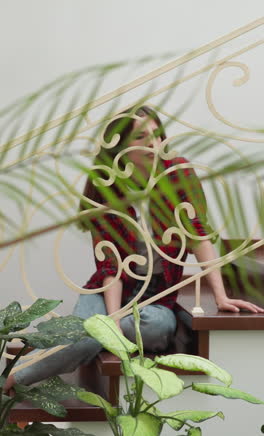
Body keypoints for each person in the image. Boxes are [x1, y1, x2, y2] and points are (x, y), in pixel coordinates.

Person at [4, 105, 263, 392]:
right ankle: (16, 380)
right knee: (95, 329)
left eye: (158, 134)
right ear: (120, 145)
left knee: (154, 327)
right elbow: (110, 264)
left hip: (156, 297)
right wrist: (113, 321)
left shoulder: (178, 173)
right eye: (142, 137)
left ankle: (22, 372)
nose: (153, 143)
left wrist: (221, 295)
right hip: (108, 291)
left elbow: (197, 234)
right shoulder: (106, 185)